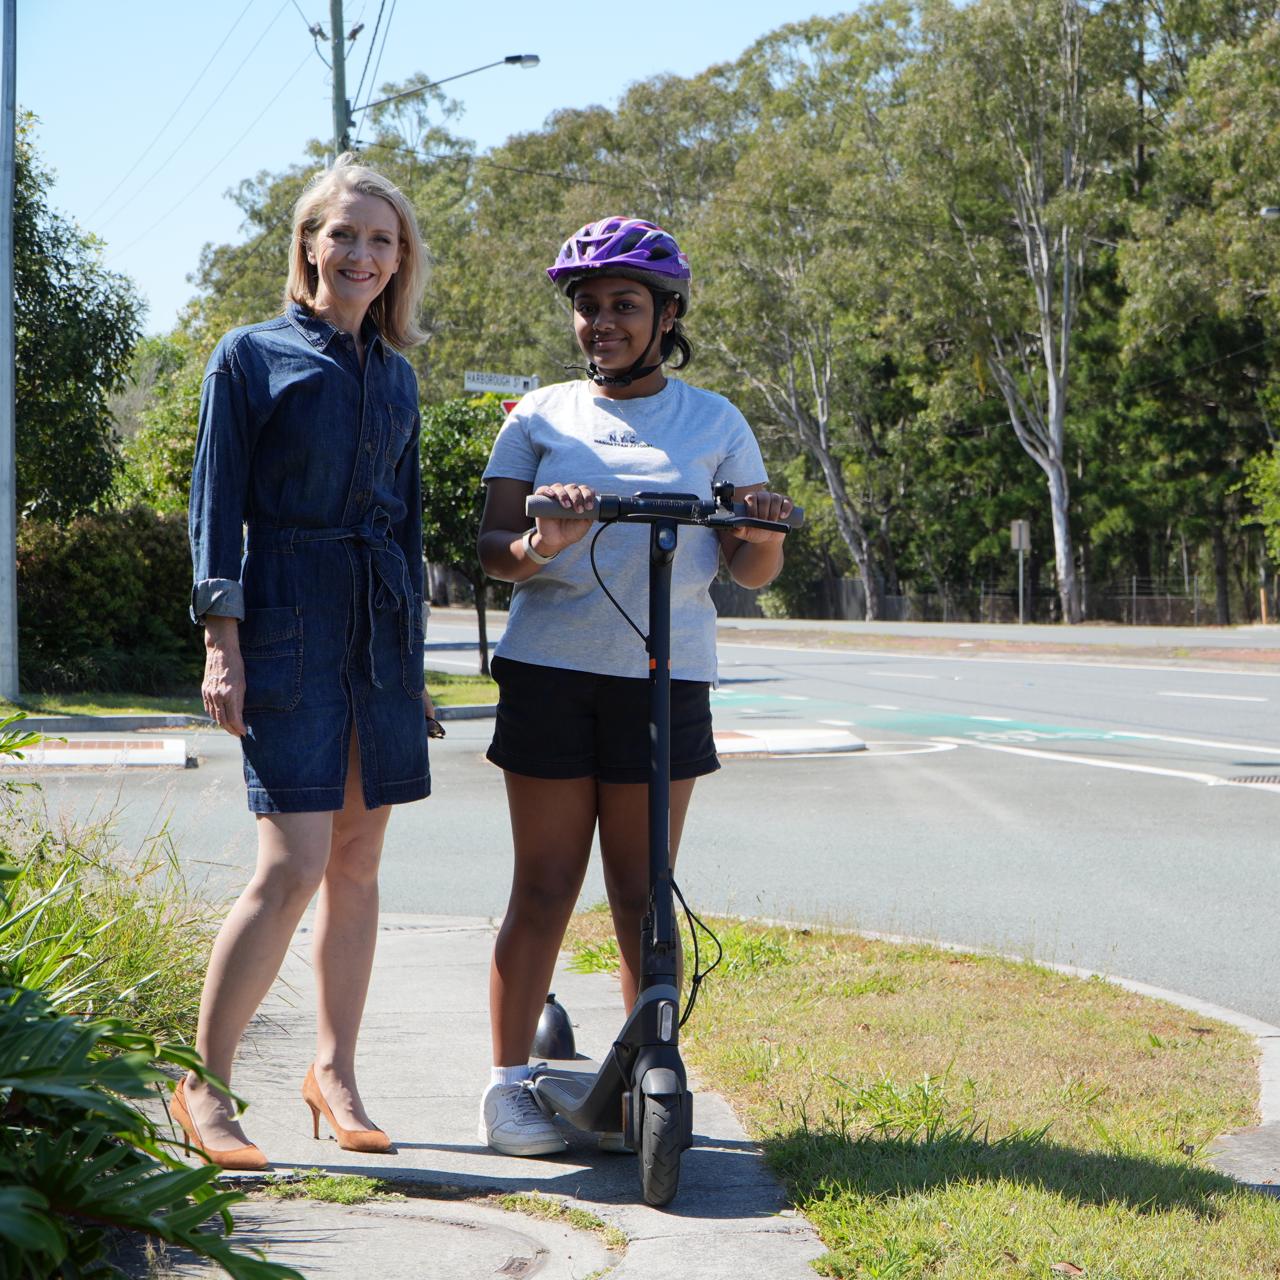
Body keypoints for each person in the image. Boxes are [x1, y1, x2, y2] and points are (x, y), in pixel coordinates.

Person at [475, 215, 793, 1155]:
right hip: (549, 673)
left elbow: (750, 570)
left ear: (668, 314)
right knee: (543, 885)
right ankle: (503, 1087)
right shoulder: (538, 417)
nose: (602, 322)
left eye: (623, 305)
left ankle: (643, 1066)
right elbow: (493, 554)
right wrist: (546, 542)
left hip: (666, 679)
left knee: (643, 893)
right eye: (588, 307)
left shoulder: (714, 420)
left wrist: (764, 525)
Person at [181, 155, 436, 1169]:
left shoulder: (401, 376)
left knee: (358, 862)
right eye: (345, 234)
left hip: (377, 632)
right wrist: (220, 642)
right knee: (289, 864)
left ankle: (333, 1072)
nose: (364, 254)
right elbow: (216, 512)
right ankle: (201, 1083)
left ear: (399, 258)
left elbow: (407, 528)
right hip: (285, 613)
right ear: (308, 244)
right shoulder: (249, 358)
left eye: (383, 240)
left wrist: (412, 669)